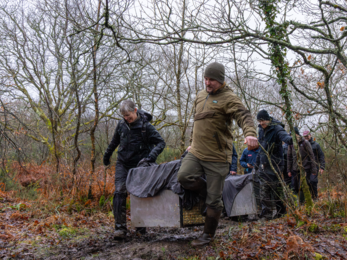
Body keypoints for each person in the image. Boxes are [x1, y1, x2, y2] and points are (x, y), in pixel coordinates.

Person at [177, 62, 258, 247]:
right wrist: (191, 144)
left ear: (221, 80)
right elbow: (197, 123)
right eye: (206, 78)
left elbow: (243, 115)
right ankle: (204, 191)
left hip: (217, 156)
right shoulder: (199, 96)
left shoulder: (229, 98)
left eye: (211, 79)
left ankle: (207, 235)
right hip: (197, 151)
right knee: (183, 176)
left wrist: (250, 133)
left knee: (214, 200)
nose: (208, 82)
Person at [103, 100, 166, 239]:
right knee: (119, 192)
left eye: (129, 115)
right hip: (122, 163)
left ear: (135, 110)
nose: (127, 118)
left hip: (140, 166)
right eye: (124, 116)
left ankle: (140, 227)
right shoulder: (121, 125)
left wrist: (150, 157)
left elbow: (161, 143)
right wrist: (106, 156)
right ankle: (120, 229)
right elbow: (115, 141)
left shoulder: (146, 127)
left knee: (138, 194)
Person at [255, 110, 293, 220]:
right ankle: (266, 215)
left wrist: (291, 140)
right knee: (264, 189)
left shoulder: (276, 127)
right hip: (264, 164)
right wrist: (257, 163)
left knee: (276, 191)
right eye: (259, 121)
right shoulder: (261, 130)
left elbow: (284, 136)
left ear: (268, 119)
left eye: (263, 120)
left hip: (275, 164)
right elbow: (261, 148)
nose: (261, 123)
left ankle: (281, 212)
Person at [288, 128, 317, 201]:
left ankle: (305, 203)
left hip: (305, 168)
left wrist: (314, 169)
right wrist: (289, 170)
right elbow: (289, 157)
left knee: (304, 186)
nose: (292, 136)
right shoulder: (290, 144)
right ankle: (297, 204)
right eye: (291, 135)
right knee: (294, 187)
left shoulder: (305, 142)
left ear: (297, 134)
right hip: (295, 169)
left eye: (294, 135)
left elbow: (311, 156)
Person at [303, 130, 325, 199]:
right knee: (307, 183)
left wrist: (322, 167)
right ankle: (309, 198)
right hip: (305, 167)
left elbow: (321, 156)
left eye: (307, 136)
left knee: (313, 181)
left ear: (310, 135)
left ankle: (315, 197)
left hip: (314, 167)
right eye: (305, 136)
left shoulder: (316, 145)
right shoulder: (302, 145)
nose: (306, 137)